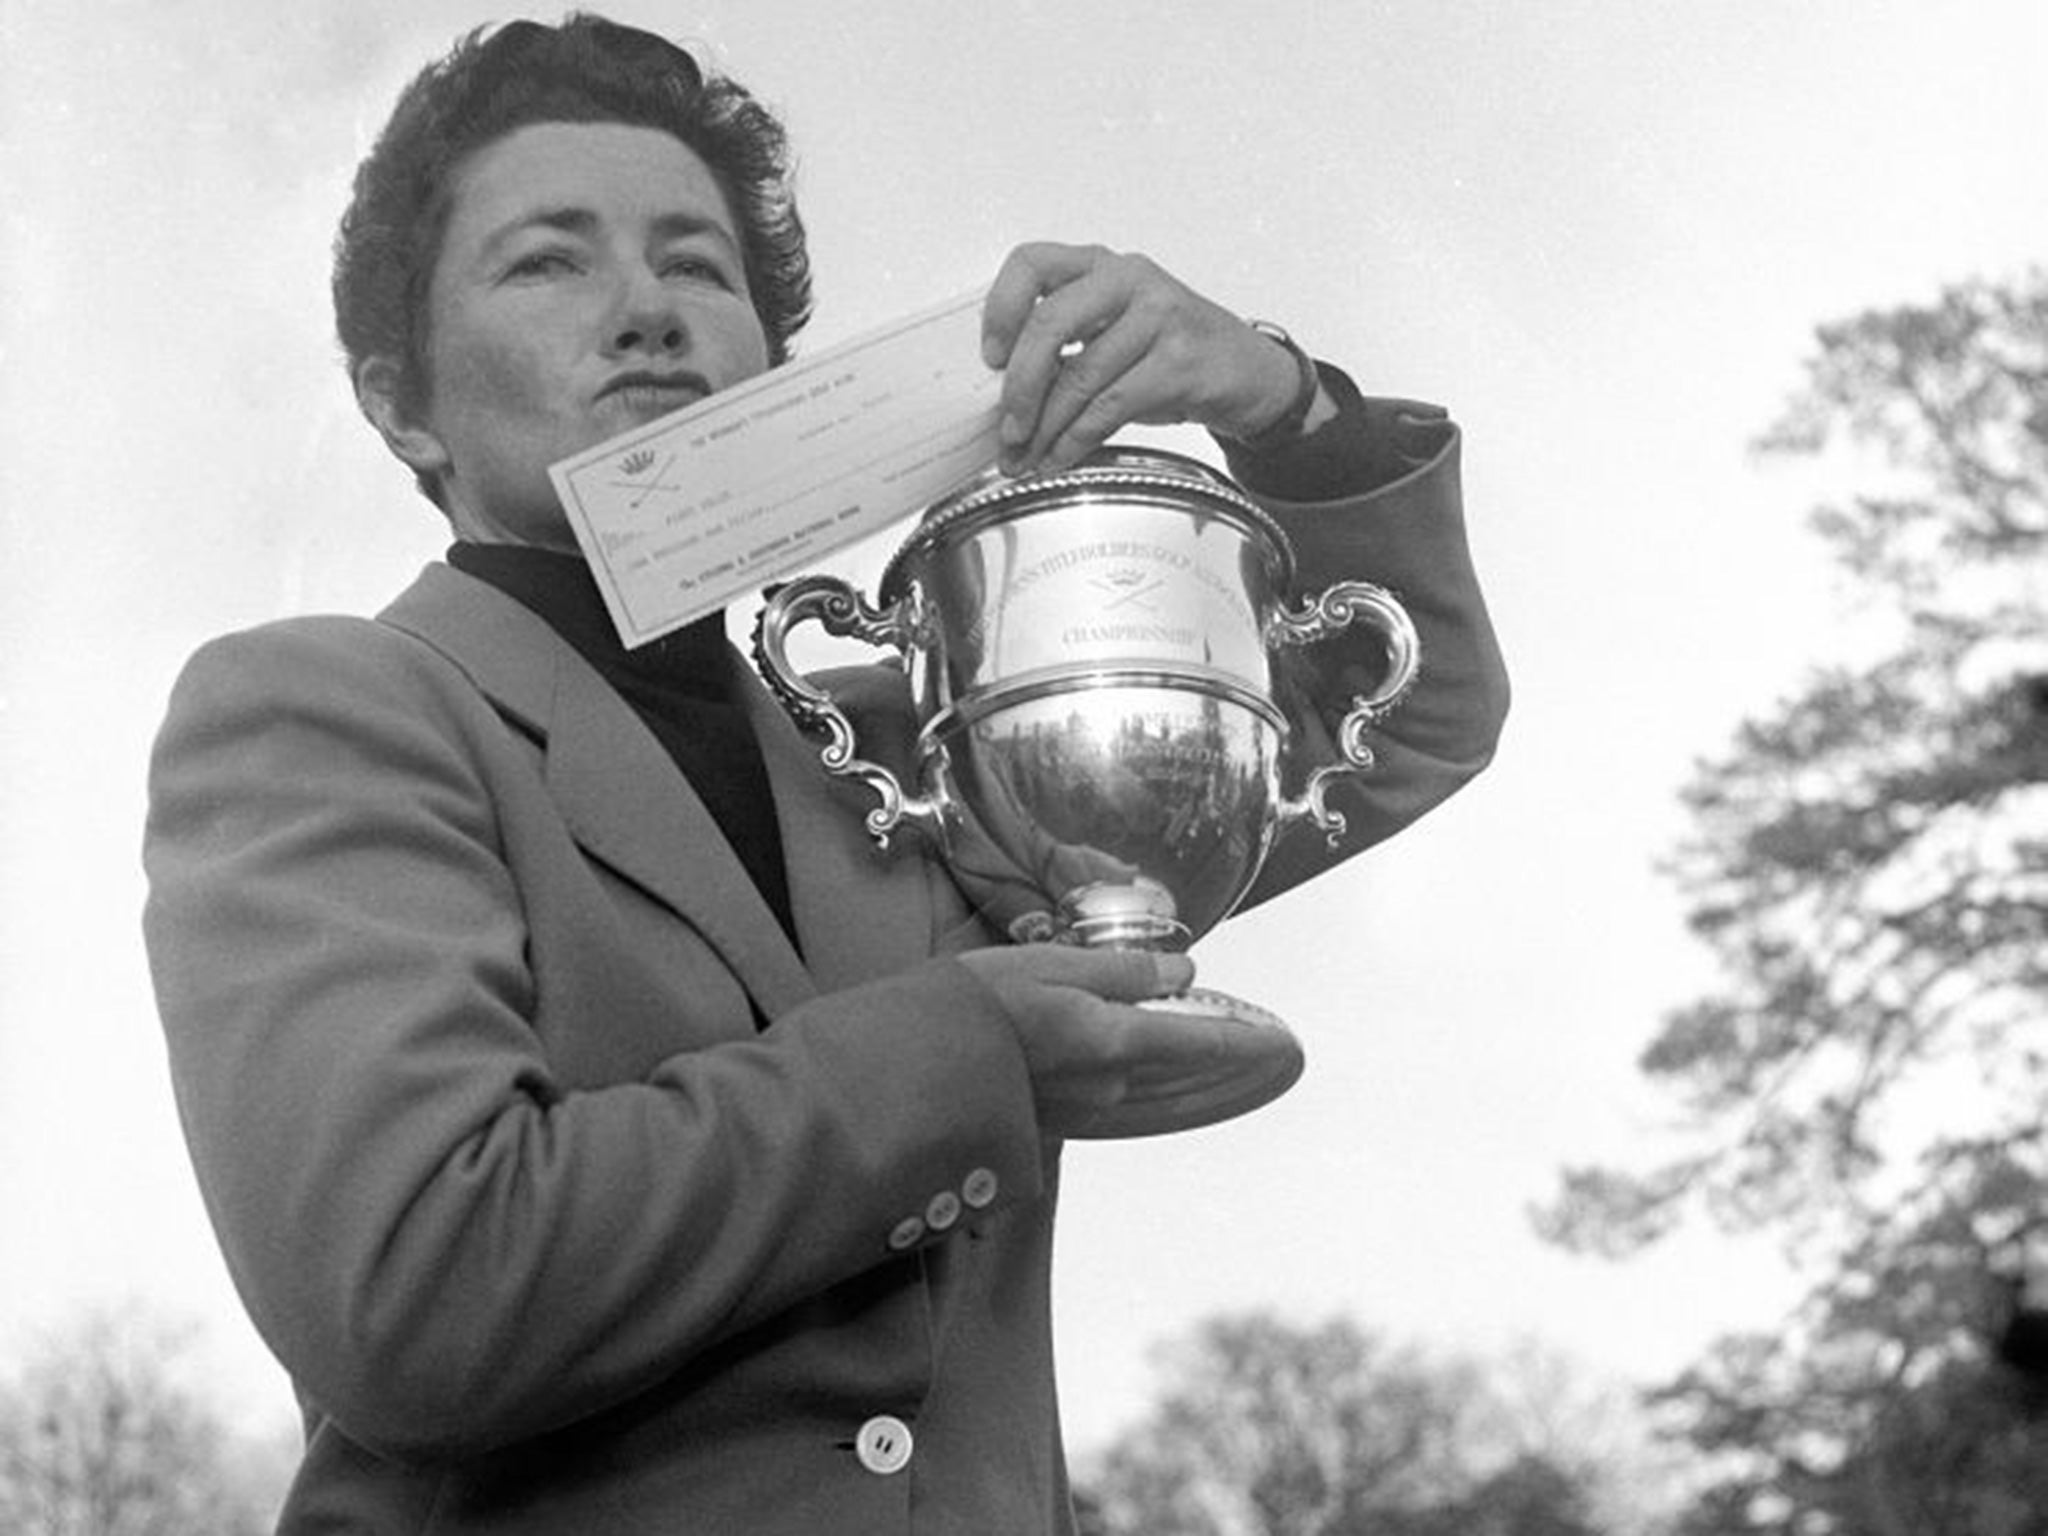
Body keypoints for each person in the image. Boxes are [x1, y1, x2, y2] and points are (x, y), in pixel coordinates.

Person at [142, 14, 1509, 1534]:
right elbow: (411, 1288)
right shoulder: (326, 707)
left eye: (697, 265)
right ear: (401, 401)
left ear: (767, 369)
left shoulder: (915, 732)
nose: (647, 312)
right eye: (549, 261)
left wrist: (1279, 402)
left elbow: (1416, 713)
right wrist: (967, 1051)